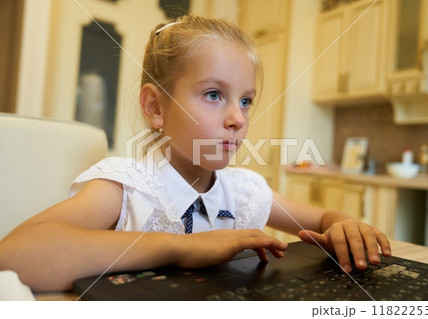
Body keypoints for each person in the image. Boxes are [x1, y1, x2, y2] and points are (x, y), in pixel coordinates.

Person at [0, 15, 391, 293]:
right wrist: (183, 248)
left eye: (247, 100)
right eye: (214, 94)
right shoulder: (127, 187)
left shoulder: (244, 191)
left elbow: (323, 218)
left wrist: (343, 222)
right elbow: (14, 256)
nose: (238, 117)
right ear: (156, 108)